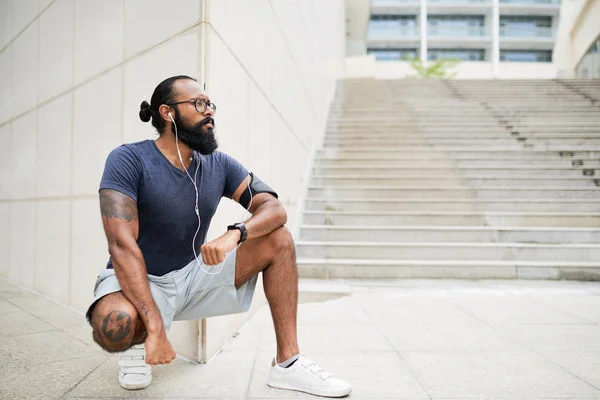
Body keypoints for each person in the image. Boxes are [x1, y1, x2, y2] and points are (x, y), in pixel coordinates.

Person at [85, 75, 352, 398]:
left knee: (278, 239)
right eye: (199, 104)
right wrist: (154, 326)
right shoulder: (128, 159)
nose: (209, 111)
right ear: (168, 113)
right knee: (114, 326)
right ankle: (137, 341)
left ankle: (288, 364)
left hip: (192, 275)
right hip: (138, 279)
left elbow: (274, 208)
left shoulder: (219, 163)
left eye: (210, 104)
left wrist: (236, 234)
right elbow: (122, 245)